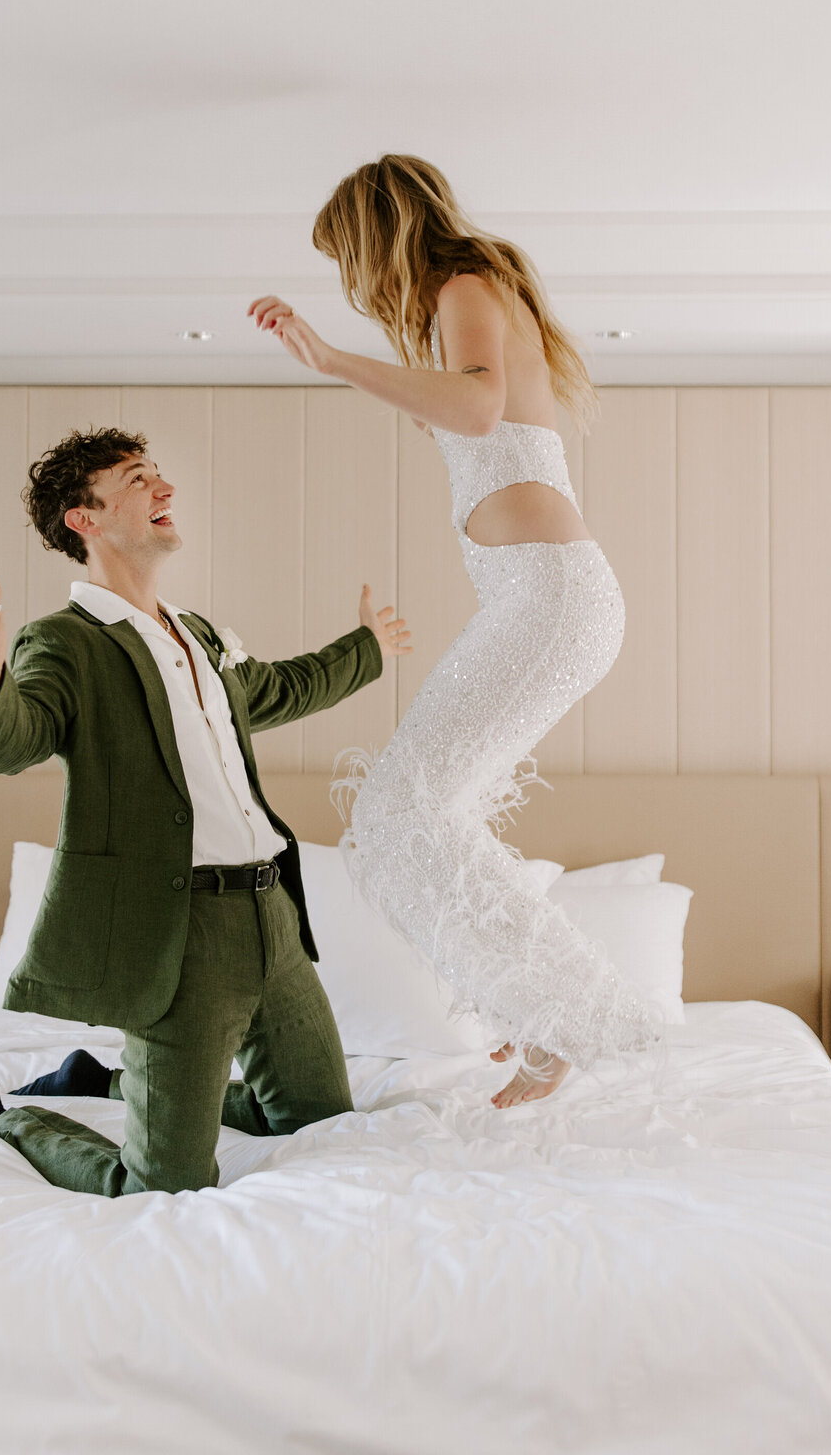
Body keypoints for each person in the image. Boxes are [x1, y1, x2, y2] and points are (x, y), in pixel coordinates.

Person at [249, 154, 657, 1108]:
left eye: (347, 260)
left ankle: (576, 1020)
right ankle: (545, 1016)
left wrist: (331, 361)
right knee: (412, 818)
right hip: (538, 599)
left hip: (549, 599)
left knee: (399, 814)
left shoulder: (466, 285)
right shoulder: (473, 295)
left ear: (376, 239)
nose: (351, 289)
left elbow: (477, 403)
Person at [0, 425, 410, 1194]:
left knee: (317, 1123)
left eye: (159, 474)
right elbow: (14, 739)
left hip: (271, 921)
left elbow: (276, 690)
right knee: (161, 1187)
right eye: (138, 478)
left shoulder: (199, 635)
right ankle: (2, 1115)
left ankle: (106, 1081)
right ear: (84, 519)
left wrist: (367, 648)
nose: (165, 488)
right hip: (181, 941)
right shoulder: (65, 643)